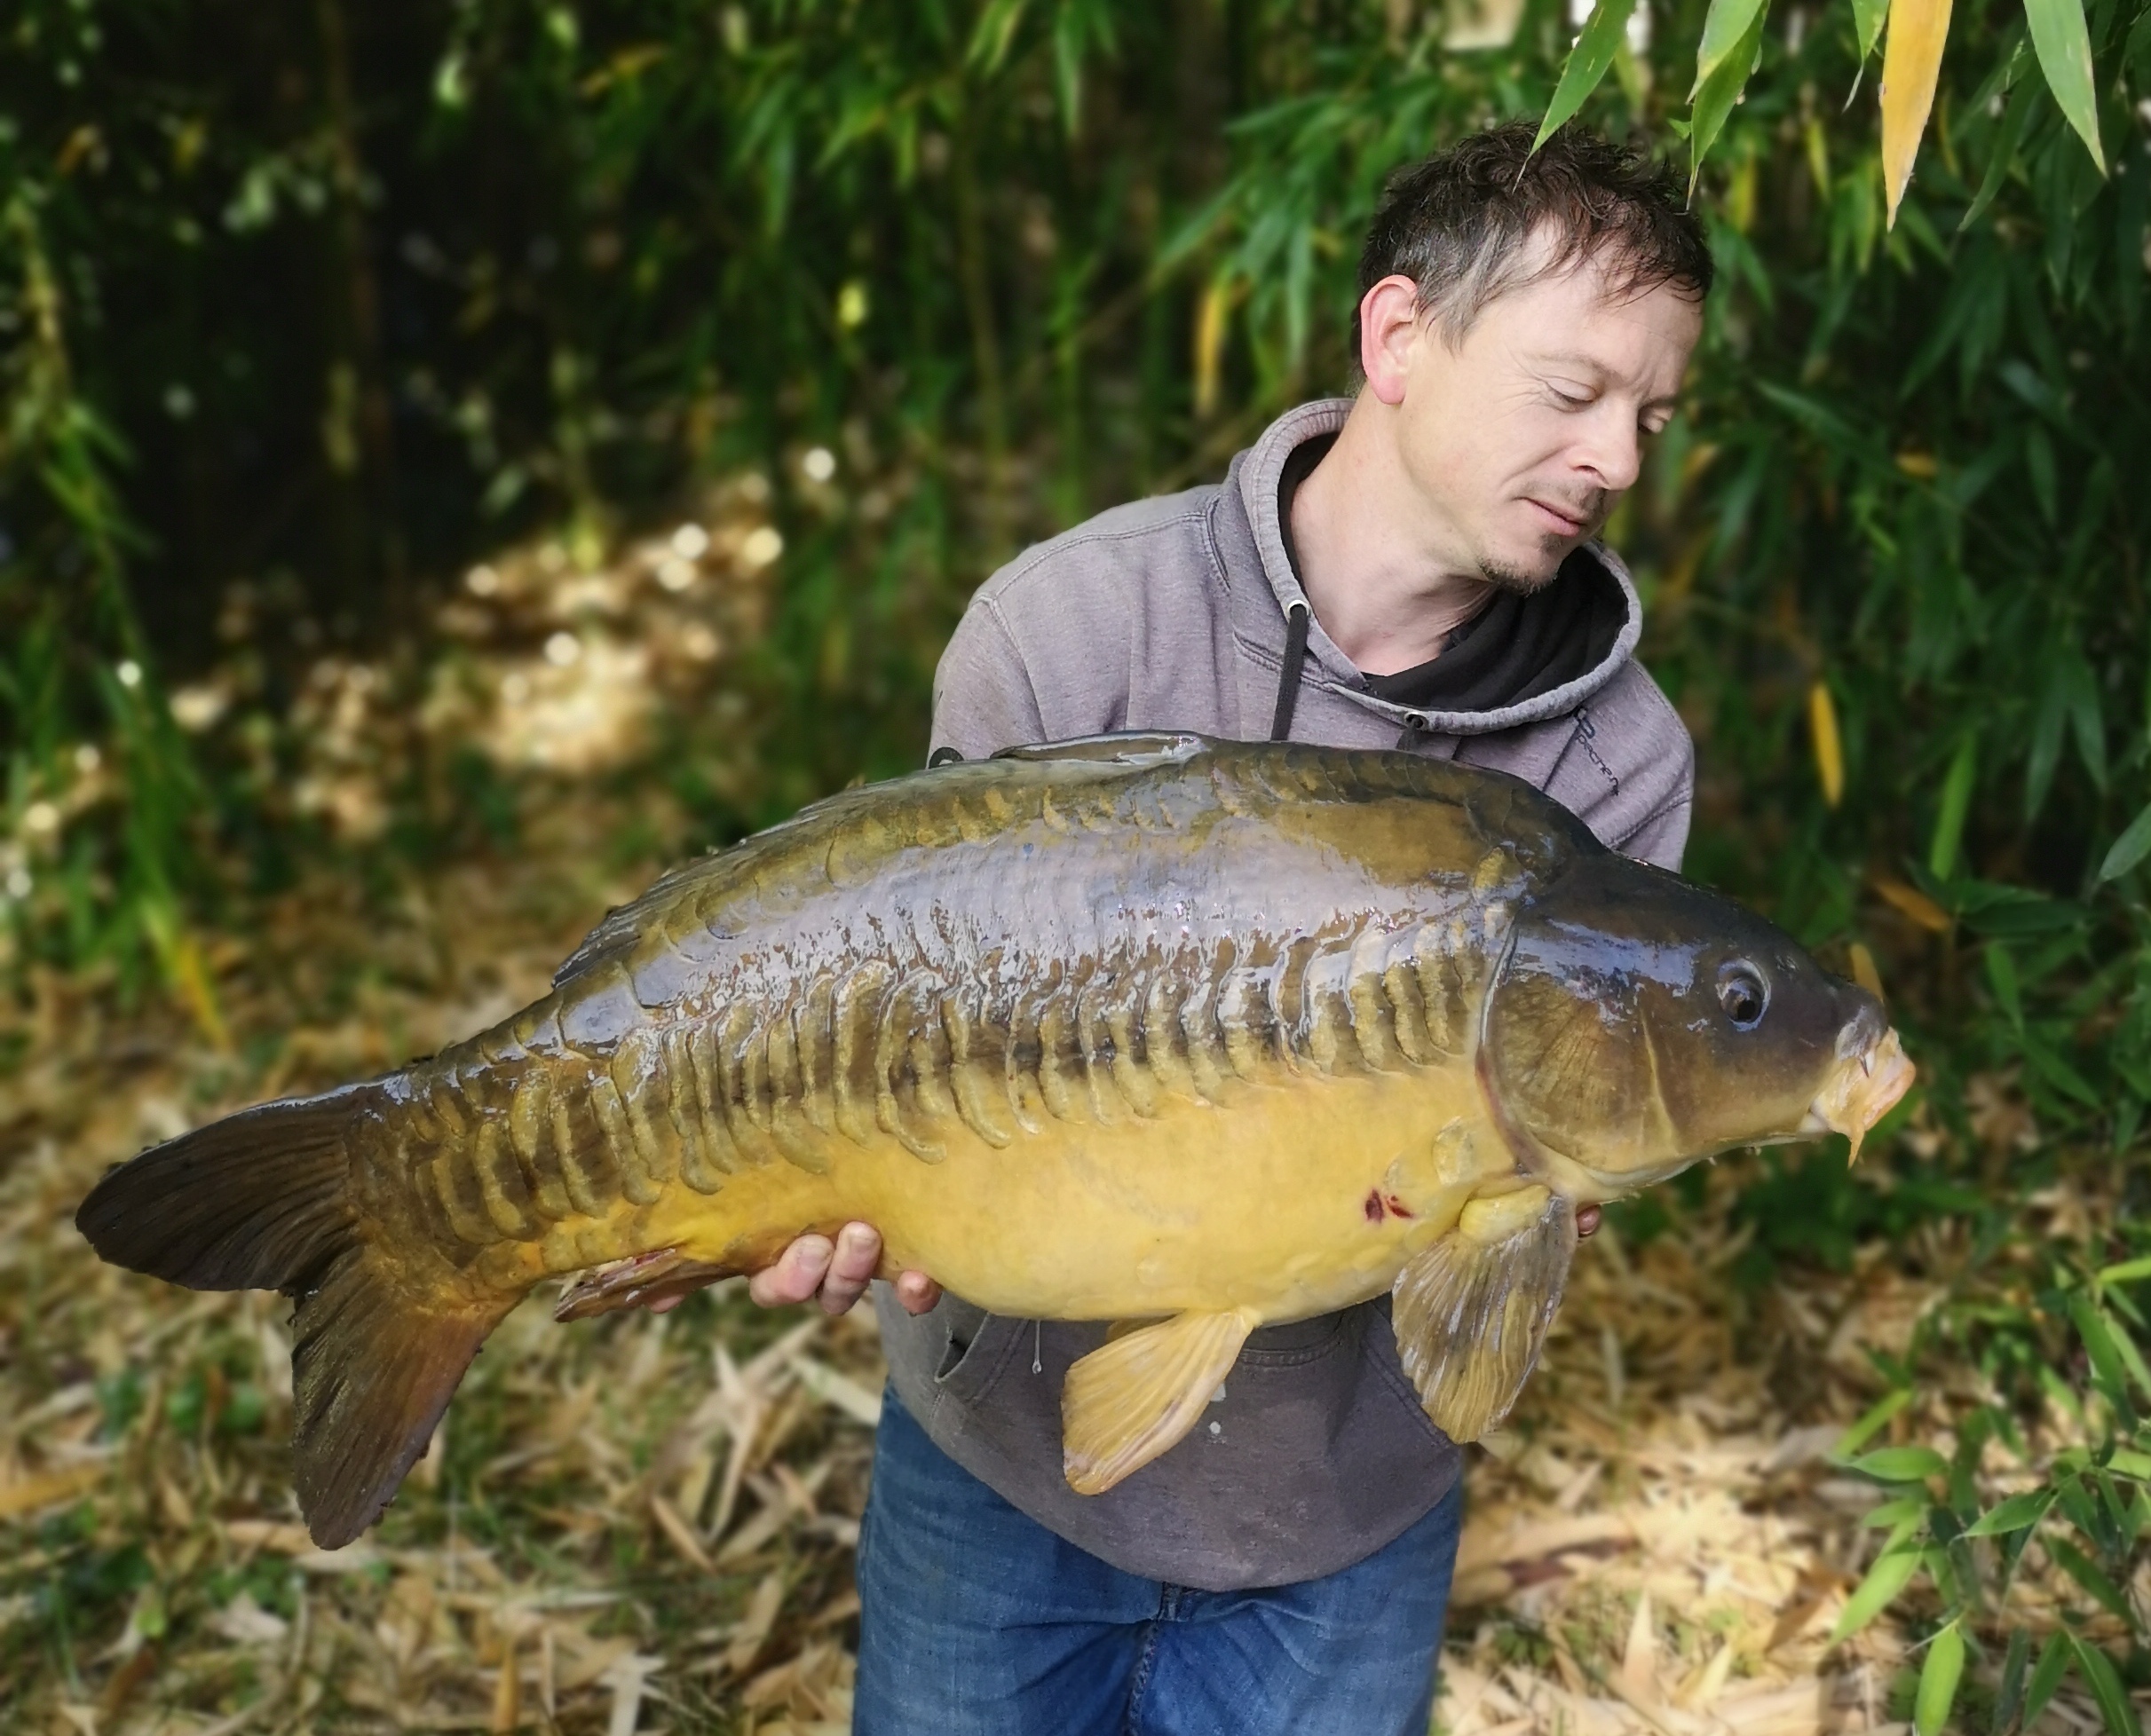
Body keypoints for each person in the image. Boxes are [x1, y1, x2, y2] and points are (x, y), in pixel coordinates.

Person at [662, 120, 1712, 1733]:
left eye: (1651, 413)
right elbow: (901, 1022)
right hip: (997, 1487)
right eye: (1573, 393)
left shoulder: (1617, 762)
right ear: (1398, 339)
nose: (1620, 460)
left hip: (1343, 1531)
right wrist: (830, 1185)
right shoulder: (1069, 626)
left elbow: (1516, 1239)